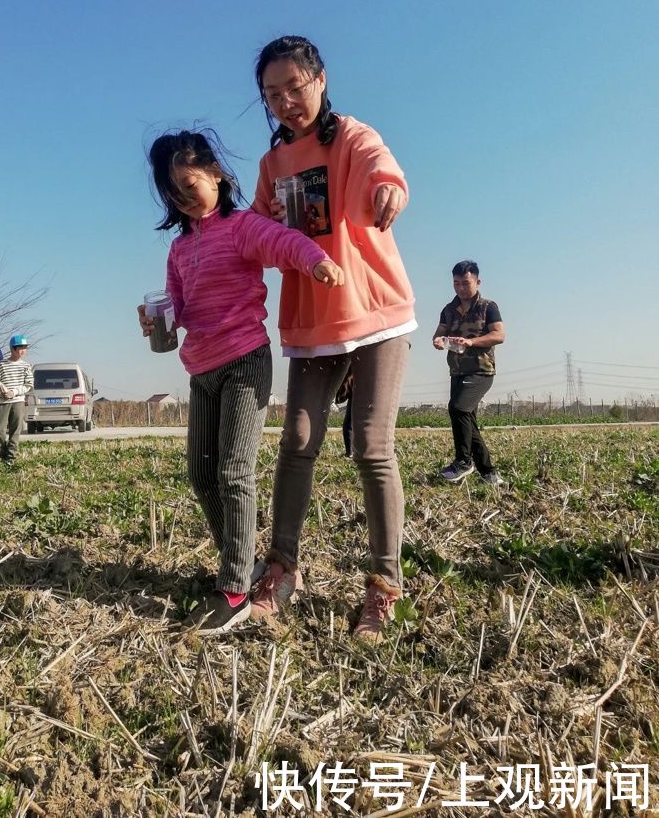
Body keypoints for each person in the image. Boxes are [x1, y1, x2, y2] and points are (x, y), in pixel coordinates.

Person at [137, 129, 344, 636]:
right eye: (172, 191)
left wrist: (315, 261)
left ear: (216, 175)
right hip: (201, 368)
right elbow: (178, 302)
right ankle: (242, 556)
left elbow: (283, 240)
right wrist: (157, 318)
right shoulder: (180, 247)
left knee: (234, 473)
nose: (183, 197)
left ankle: (233, 591)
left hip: (245, 361)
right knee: (202, 476)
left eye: (190, 183)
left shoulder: (241, 226)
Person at [249, 35, 416, 641]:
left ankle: (383, 586)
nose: (287, 101)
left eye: (295, 86)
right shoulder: (271, 167)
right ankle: (282, 569)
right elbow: (262, 233)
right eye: (273, 94)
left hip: (375, 309)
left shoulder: (351, 136)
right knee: (297, 440)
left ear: (320, 79)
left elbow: (380, 167)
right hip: (313, 318)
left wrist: (387, 189)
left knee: (372, 446)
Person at [433, 261, 505, 485]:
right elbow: (440, 333)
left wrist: (471, 341)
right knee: (466, 418)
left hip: (481, 370)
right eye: (456, 283)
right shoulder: (448, 309)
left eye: (465, 283)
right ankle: (489, 473)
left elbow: (499, 335)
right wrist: (438, 340)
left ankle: (463, 462)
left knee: (458, 408)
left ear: (477, 281)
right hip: (457, 371)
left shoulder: (488, 306)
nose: (460, 288)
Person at [0, 335, 34, 465]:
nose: (23, 351)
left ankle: (11, 456)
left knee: (15, 429)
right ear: (12, 349)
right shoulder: (1, 365)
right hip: (2, 402)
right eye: (20, 348)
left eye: (25, 348)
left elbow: (29, 385)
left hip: (18, 401)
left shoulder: (26, 366)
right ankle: (1, 453)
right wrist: (0, 385)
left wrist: (15, 392)